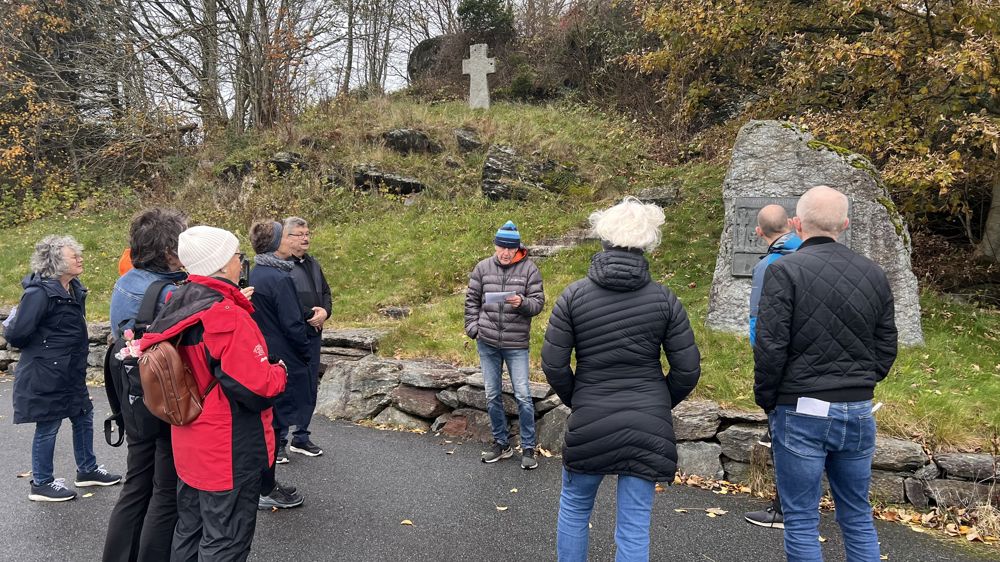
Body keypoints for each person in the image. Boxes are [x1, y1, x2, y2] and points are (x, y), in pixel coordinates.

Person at [541, 197, 701, 562]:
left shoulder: (573, 296)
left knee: (575, 509)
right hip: (647, 423)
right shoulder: (665, 300)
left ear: (603, 238)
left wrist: (579, 397)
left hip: (591, 418)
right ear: (647, 244)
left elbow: (553, 364)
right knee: (633, 526)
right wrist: (658, 402)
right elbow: (687, 370)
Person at [754, 186, 898, 562]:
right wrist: (863, 382)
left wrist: (768, 399)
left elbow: (770, 346)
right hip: (858, 407)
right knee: (857, 514)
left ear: (797, 224)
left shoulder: (783, 271)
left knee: (801, 518)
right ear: (845, 224)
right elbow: (886, 344)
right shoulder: (874, 273)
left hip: (799, 407)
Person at [138, 225, 288, 561]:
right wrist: (280, 372)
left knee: (190, 530)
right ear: (221, 264)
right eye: (237, 255)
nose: (240, 261)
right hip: (227, 446)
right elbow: (256, 386)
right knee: (226, 538)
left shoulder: (180, 300)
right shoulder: (224, 313)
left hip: (190, 439)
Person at [5, 235, 122, 502]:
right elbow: (17, 334)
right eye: (74, 256)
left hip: (69, 371)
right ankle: (42, 483)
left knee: (84, 416)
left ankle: (87, 470)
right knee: (49, 424)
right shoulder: (39, 293)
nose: (80, 258)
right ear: (56, 261)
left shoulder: (73, 288)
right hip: (46, 373)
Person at [103, 209, 188, 562]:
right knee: (166, 489)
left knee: (137, 482)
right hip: (160, 395)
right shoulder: (168, 293)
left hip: (132, 394)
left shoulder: (128, 280)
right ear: (169, 250)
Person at [464, 220, 545, 469]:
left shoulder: (529, 269)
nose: (506, 252)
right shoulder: (482, 268)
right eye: (502, 247)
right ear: (495, 245)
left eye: (510, 248)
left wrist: (522, 302)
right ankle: (502, 444)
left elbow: (538, 303)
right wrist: (473, 328)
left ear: (518, 248)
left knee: (522, 395)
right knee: (492, 395)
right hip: (487, 341)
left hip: (516, 343)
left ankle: (529, 448)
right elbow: (471, 300)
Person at [744, 204, 800, 530]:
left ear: (759, 231)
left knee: (783, 436)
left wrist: (760, 362)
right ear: (791, 225)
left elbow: (759, 324)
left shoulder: (768, 267)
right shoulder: (811, 257)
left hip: (783, 368)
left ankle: (782, 509)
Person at [248, 220, 309, 510]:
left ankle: (264, 484)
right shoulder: (280, 277)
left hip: (260, 354)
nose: (291, 240)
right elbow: (292, 323)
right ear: (275, 243)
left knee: (267, 425)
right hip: (280, 358)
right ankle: (266, 488)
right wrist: (306, 351)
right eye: (284, 235)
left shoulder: (255, 272)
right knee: (273, 426)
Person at [281, 216, 331, 458]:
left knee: (310, 385)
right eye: (299, 234)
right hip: (290, 337)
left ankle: (301, 437)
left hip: (313, 334)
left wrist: (325, 312)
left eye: (307, 233)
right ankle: (278, 442)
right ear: (285, 237)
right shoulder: (281, 267)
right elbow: (284, 301)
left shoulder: (313, 263)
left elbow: (326, 292)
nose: (306, 238)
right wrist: (310, 314)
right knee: (285, 386)